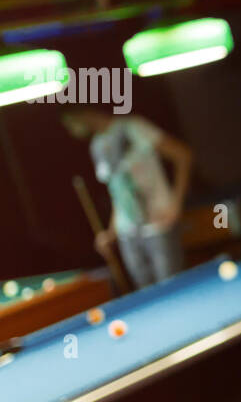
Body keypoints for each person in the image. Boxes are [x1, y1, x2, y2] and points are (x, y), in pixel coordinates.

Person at [61, 107, 193, 288]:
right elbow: (118, 193)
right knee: (146, 296)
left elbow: (182, 155)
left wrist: (176, 204)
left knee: (172, 289)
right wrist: (111, 232)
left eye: (70, 122)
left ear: (84, 113)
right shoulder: (97, 146)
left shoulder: (133, 127)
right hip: (128, 232)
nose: (70, 129)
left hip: (158, 223)